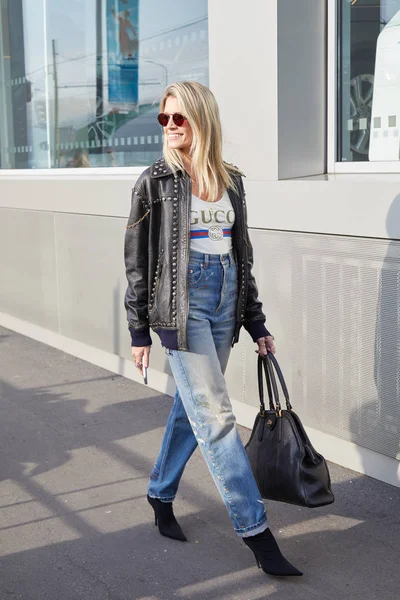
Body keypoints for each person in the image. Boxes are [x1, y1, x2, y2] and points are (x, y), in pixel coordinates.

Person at [124, 81, 302, 578]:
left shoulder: (233, 181)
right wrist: (139, 330)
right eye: (165, 119)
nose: (170, 127)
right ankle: (258, 535)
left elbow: (240, 257)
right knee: (218, 418)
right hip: (184, 309)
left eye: (179, 118)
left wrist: (255, 319)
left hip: (225, 299)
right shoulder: (154, 180)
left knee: (193, 408)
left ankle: (159, 493)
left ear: (202, 118)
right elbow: (138, 263)